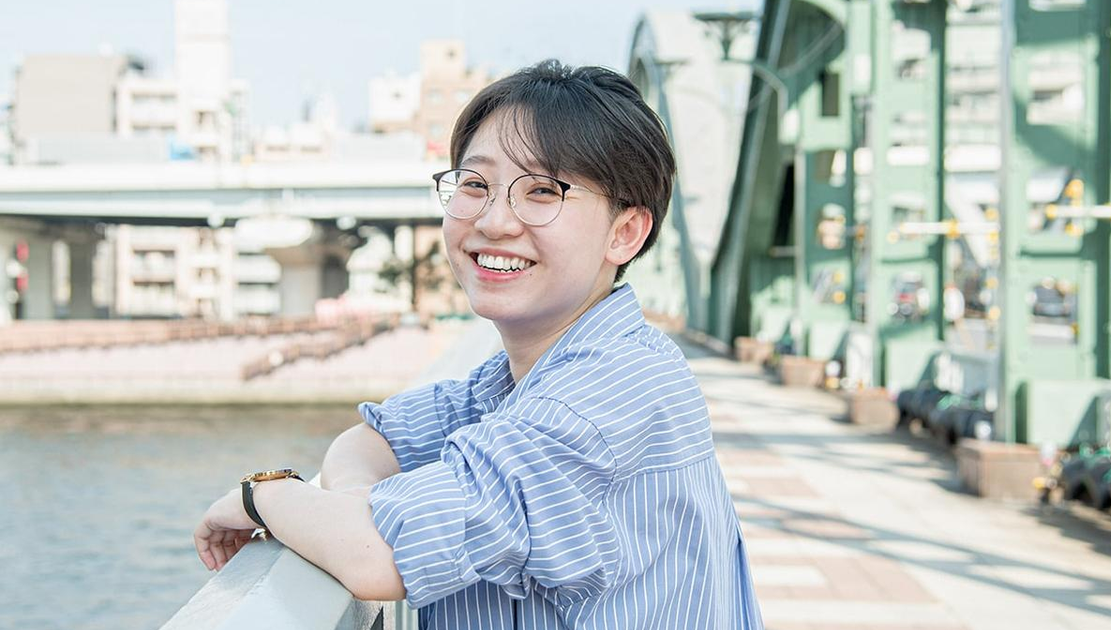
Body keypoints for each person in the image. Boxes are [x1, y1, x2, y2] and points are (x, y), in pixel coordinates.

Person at [194, 60, 764, 629]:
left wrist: (263, 496)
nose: (494, 222)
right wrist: (354, 503)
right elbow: (370, 439)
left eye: (542, 191)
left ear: (625, 233)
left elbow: (376, 556)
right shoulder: (518, 379)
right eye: (474, 185)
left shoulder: (605, 395)